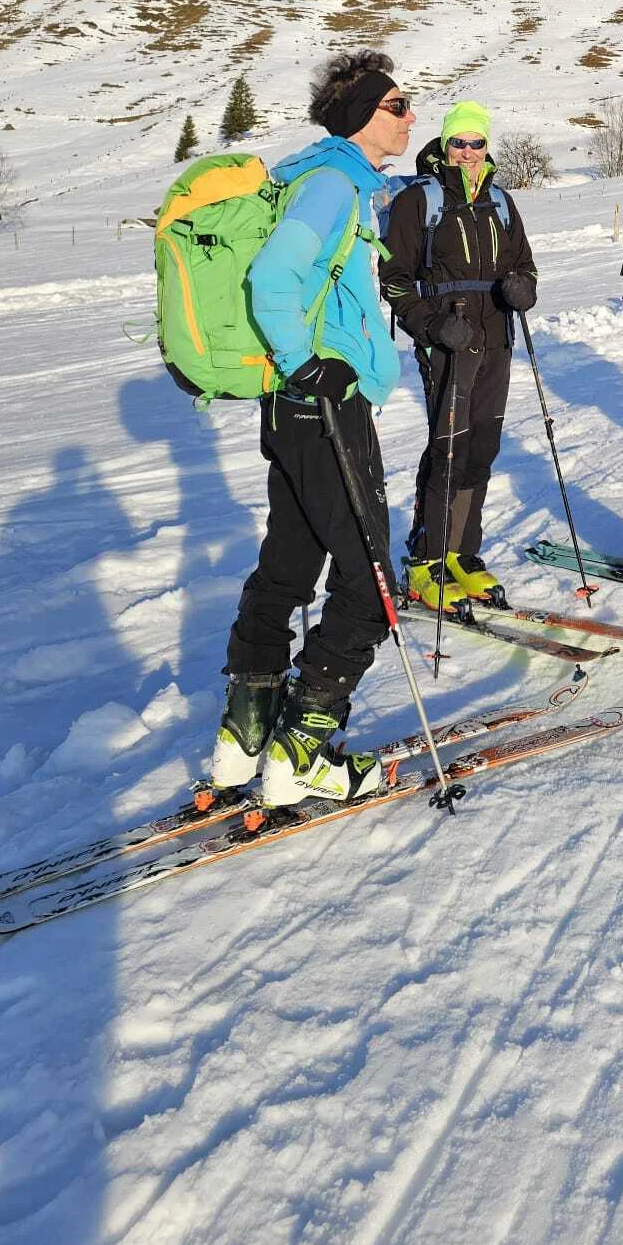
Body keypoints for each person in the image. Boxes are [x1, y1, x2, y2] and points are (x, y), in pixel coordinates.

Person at [210, 50, 414, 805]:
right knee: (370, 583)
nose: (409, 115)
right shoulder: (331, 185)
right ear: (363, 115)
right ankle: (303, 749)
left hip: (299, 406)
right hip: (324, 402)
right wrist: (305, 362)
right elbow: (273, 279)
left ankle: (246, 733)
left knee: (290, 565)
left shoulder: (333, 182)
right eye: (398, 104)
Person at [378, 101, 537, 610]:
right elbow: (395, 280)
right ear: (445, 147)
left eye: (477, 143)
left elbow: (525, 265)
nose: (468, 152)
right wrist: (430, 324)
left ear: (488, 147)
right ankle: (426, 560)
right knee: (448, 447)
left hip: (496, 337)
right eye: (458, 142)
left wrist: (522, 289)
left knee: (482, 446)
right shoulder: (419, 202)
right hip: (447, 339)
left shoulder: (503, 202)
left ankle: (462, 554)